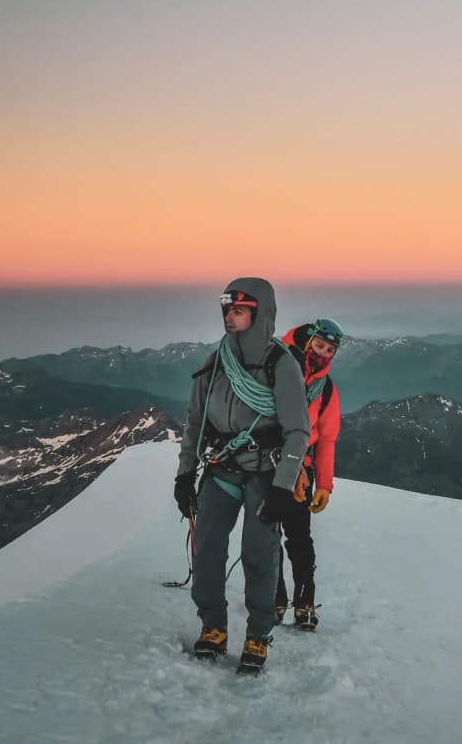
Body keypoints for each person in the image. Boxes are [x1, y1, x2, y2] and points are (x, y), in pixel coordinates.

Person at [173, 277, 310, 674]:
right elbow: (195, 421)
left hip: (266, 474)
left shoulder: (280, 365)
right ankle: (213, 626)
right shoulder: (215, 361)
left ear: (259, 314)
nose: (230, 318)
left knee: (258, 553)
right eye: (227, 310)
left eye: (239, 311)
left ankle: (257, 633)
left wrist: (284, 485)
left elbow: (297, 431)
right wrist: (185, 474)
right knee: (208, 549)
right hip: (222, 468)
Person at [274, 317, 344, 632]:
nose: (322, 354)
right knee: (266, 534)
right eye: (319, 346)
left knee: (298, 535)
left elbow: (327, 438)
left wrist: (325, 485)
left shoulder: (325, 389)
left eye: (329, 350)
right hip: (267, 462)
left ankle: (303, 602)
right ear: (307, 340)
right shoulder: (274, 365)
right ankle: (274, 597)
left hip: (301, 469)